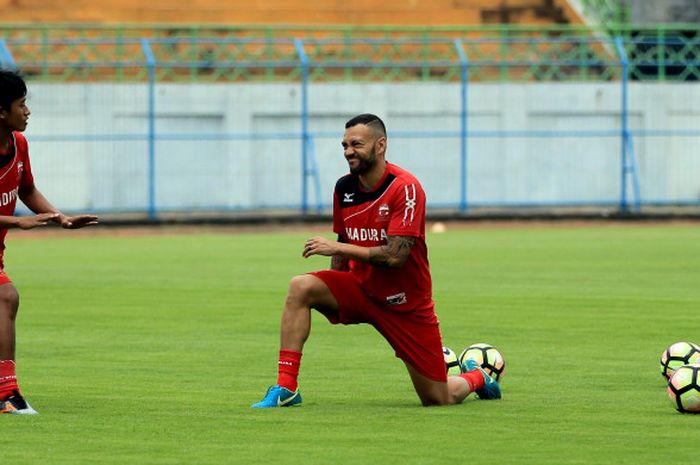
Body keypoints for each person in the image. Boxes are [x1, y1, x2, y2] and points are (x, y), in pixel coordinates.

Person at [252, 113, 501, 408]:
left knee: (438, 397)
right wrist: (336, 287)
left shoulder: (405, 188)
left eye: (356, 144)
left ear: (380, 145)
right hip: (361, 290)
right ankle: (286, 388)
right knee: (301, 287)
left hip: (405, 304)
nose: (348, 151)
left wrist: (337, 250)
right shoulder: (344, 188)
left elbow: (395, 256)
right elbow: (344, 242)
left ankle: (477, 377)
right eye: (344, 145)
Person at [0, 69, 98, 415]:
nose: (27, 111)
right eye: (21, 104)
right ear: (1, 111)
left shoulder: (19, 145)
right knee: (6, 297)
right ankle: (6, 392)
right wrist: (18, 221)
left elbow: (25, 188)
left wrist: (59, 217)